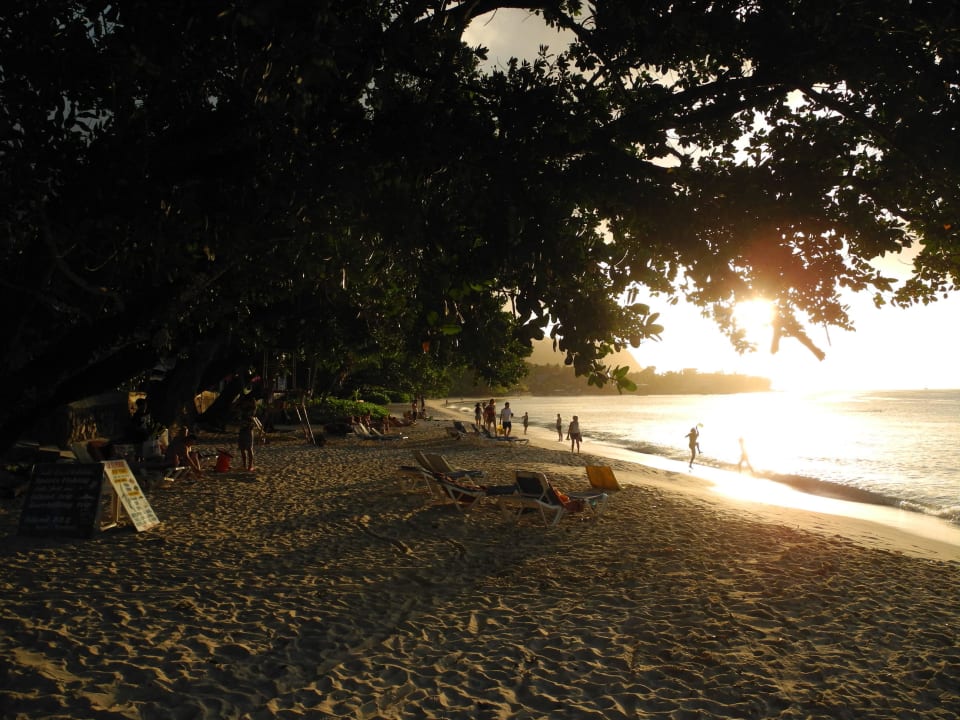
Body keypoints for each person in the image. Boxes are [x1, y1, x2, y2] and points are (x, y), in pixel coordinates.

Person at [236, 392, 258, 471]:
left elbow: (252, 409)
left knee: (249, 448)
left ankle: (250, 466)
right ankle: (244, 465)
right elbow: (236, 408)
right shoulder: (243, 407)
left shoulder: (251, 408)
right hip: (242, 428)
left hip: (248, 429)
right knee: (242, 448)